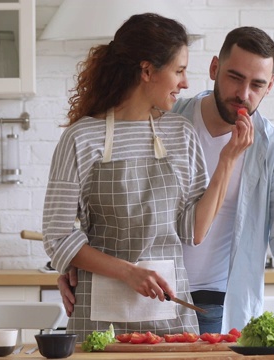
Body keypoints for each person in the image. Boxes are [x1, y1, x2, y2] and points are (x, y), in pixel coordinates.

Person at [56, 26, 274, 335]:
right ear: (214, 68)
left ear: (270, 85)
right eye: (235, 77)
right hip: (143, 299)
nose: (243, 94)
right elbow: (109, 204)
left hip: (216, 307)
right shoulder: (165, 119)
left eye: (257, 84)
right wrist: (77, 262)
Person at [42, 13, 252, 342]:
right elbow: (58, 238)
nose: (185, 83)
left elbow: (193, 230)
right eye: (179, 70)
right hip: (99, 324)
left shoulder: (180, 133)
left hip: (171, 321)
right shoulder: (83, 138)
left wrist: (228, 159)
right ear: (147, 70)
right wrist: (128, 272)